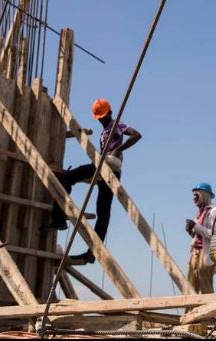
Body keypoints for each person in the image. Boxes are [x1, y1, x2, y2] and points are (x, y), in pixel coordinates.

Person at [42, 98, 142, 265]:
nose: (102, 119)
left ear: (109, 112)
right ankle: (89, 251)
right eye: (100, 117)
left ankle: (85, 246)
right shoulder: (105, 131)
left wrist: (119, 149)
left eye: (104, 116)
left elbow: (136, 135)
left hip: (109, 168)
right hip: (103, 169)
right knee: (100, 210)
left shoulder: (116, 124)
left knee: (100, 210)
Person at [184, 182, 216, 294]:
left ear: (205, 195)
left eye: (197, 195)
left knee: (205, 285)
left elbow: (215, 234)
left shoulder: (214, 212)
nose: (194, 198)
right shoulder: (199, 213)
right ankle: (190, 310)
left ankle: (210, 309)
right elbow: (199, 235)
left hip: (205, 254)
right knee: (191, 286)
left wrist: (195, 226)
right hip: (195, 253)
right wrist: (191, 231)